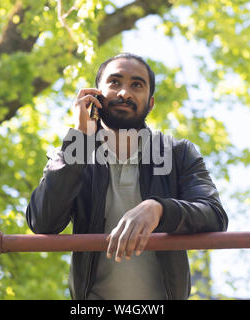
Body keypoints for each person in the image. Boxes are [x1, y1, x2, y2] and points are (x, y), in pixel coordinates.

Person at [26, 53, 228, 300]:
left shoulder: (178, 153)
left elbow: (214, 215)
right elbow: (43, 221)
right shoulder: (75, 154)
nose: (124, 93)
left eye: (137, 85)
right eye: (115, 82)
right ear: (95, 95)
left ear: (150, 103)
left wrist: (159, 210)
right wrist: (79, 137)